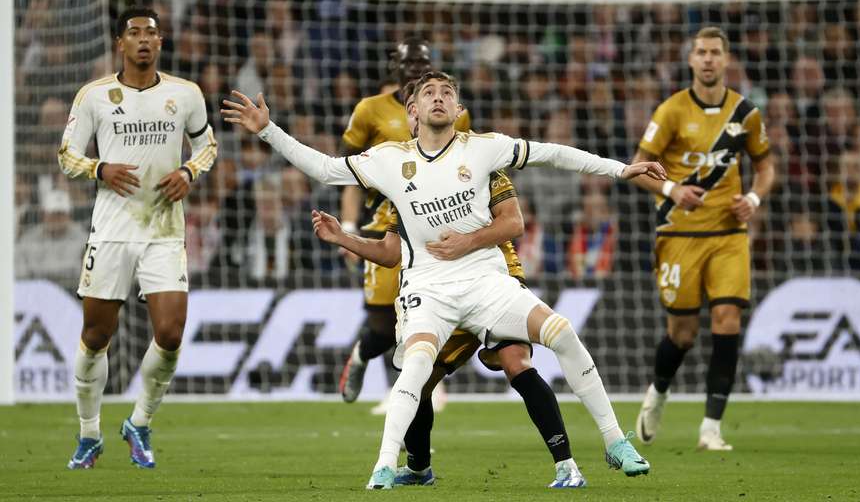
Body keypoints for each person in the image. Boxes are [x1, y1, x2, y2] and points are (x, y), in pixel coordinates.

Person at [221, 71, 665, 488]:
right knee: (413, 367)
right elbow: (324, 168)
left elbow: (552, 153)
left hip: (487, 281)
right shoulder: (389, 160)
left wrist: (619, 169)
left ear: (458, 108)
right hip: (429, 288)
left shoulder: (483, 148)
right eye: (428, 92)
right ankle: (384, 465)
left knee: (562, 331)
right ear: (411, 112)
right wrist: (267, 130)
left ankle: (613, 441)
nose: (438, 96)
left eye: (447, 92)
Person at [314, 98, 588, 488]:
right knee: (416, 378)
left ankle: (567, 465)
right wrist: (344, 237)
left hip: (490, 284)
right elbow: (392, 252)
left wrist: (468, 241)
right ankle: (419, 467)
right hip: (440, 294)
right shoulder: (404, 186)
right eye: (414, 113)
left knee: (516, 361)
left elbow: (513, 224)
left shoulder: (481, 165)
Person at [58, 7, 218, 469]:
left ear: (161, 43)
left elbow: (207, 144)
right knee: (96, 334)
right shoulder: (94, 97)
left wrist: (189, 170)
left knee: (170, 333)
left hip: (164, 229)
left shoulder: (185, 94)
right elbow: (66, 154)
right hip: (111, 231)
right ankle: (89, 434)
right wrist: (99, 168)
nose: (144, 40)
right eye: (134, 33)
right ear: (120, 43)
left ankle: (140, 422)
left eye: (151, 33)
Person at [631, 26, 775, 451]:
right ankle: (658, 391)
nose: (709, 59)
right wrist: (673, 190)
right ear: (691, 60)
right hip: (679, 233)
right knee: (682, 333)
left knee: (727, 320)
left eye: (715, 52)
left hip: (729, 233)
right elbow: (639, 166)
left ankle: (711, 427)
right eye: (701, 52)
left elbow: (766, 166)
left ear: (725, 60)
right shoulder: (672, 110)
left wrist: (753, 196)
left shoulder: (745, 113)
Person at [337, 38, 468, 406]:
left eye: (422, 63)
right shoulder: (370, 111)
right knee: (381, 326)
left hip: (431, 231)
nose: (414, 69)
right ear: (394, 66)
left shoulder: (455, 111)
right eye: (408, 63)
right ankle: (361, 357)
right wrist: (348, 227)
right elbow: (346, 173)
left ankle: (412, 398)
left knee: (422, 318)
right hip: (384, 227)